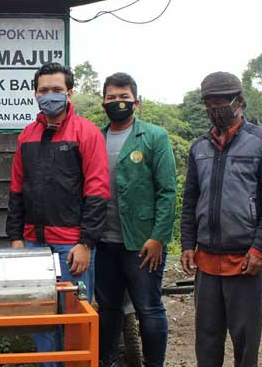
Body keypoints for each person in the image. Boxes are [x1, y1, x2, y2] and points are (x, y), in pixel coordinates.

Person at [6, 62, 110, 366]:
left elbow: (97, 191)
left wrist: (86, 243)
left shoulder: (87, 133)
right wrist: (15, 238)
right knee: (41, 317)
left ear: (69, 92)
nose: (49, 95)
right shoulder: (26, 136)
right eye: (43, 90)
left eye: (56, 90)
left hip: (71, 246)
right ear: (35, 93)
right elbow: (16, 189)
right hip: (33, 246)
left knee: (77, 318)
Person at [181, 71, 262, 367]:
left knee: (245, 344)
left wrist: (259, 249)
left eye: (220, 103)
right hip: (206, 262)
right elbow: (191, 200)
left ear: (239, 102)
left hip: (246, 262)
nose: (214, 111)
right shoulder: (199, 148)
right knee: (206, 341)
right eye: (209, 104)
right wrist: (187, 243)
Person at [96, 73, 176, 367]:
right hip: (104, 242)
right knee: (108, 309)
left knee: (149, 308)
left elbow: (168, 191)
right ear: (103, 102)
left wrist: (159, 239)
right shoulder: (96, 137)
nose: (118, 103)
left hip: (142, 242)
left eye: (124, 97)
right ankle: (108, 362)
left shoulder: (155, 136)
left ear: (136, 102)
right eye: (112, 98)